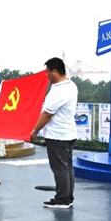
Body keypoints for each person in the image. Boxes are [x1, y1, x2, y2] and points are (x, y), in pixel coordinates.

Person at [30, 57, 78, 209]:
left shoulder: (59, 91)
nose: (47, 75)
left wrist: (35, 131)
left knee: (60, 168)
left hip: (58, 136)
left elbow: (47, 114)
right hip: (68, 134)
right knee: (67, 167)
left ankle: (62, 199)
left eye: (48, 72)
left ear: (55, 71)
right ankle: (68, 197)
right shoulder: (71, 85)